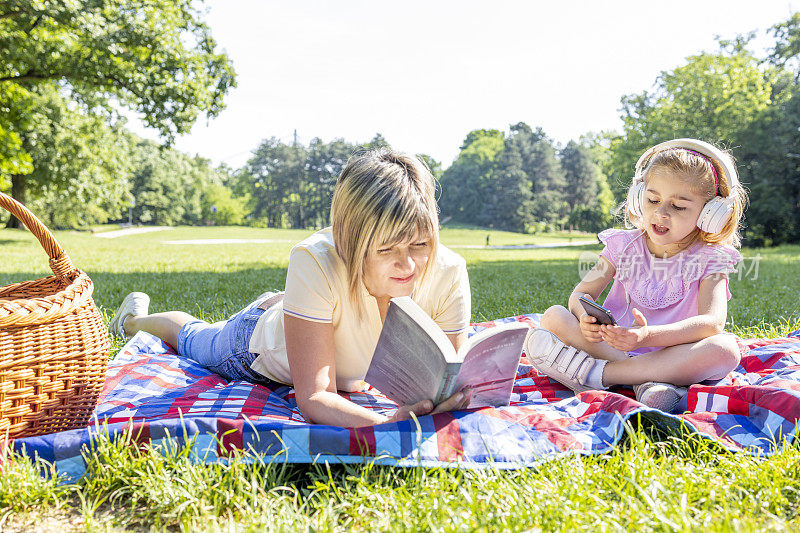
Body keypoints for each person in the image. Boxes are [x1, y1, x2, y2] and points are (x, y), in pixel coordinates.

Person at [109, 149, 473, 427]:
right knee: (192, 337)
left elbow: (443, 383)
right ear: (350, 242)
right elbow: (314, 397)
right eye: (386, 249)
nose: (408, 265)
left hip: (311, 312)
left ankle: (289, 303)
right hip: (258, 344)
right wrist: (383, 424)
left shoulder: (448, 271)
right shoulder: (315, 259)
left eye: (419, 245)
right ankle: (132, 321)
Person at [525, 138, 747, 412]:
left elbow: (712, 323)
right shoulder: (623, 245)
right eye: (653, 199)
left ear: (710, 214)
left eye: (678, 206)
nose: (661, 212)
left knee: (724, 349)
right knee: (554, 316)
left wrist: (646, 337)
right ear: (638, 196)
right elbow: (581, 294)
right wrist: (584, 318)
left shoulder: (711, 258)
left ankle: (596, 375)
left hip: (674, 353)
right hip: (613, 346)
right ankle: (647, 384)